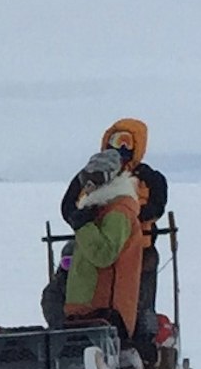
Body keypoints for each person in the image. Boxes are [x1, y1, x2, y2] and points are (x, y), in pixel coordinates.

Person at [55, 117, 170, 335]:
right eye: (116, 141)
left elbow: (156, 206)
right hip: (89, 240)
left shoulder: (148, 177)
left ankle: (141, 341)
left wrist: (127, 221)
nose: (120, 148)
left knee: (139, 300)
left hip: (139, 246)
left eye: (127, 143)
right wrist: (83, 220)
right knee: (65, 285)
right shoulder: (92, 173)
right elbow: (67, 205)